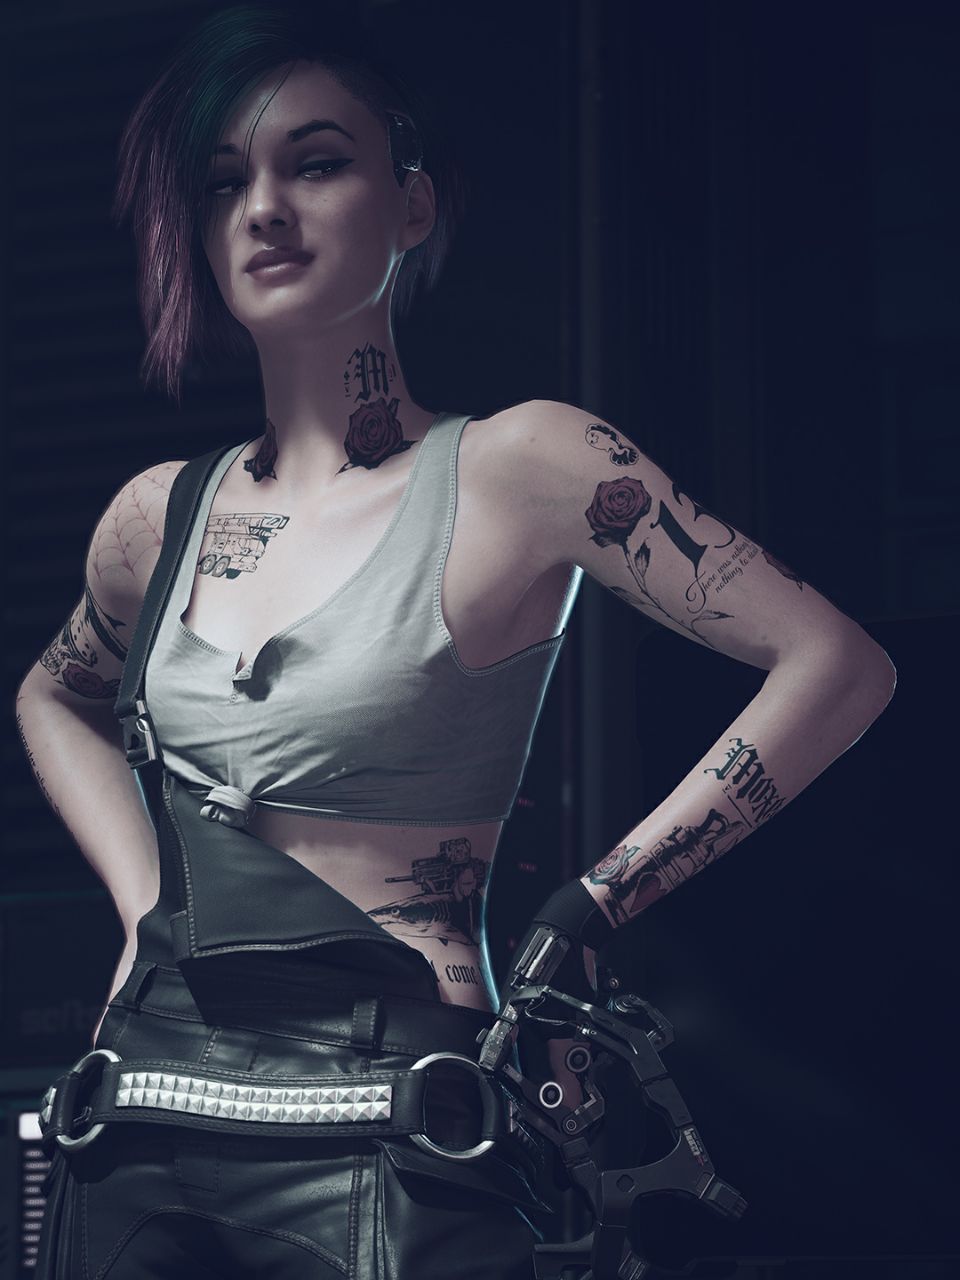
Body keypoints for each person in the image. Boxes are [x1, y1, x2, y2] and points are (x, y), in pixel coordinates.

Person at [14, 4, 897, 1277]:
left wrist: (594, 902)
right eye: (223, 183)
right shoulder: (156, 517)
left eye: (318, 162)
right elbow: (52, 696)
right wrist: (145, 899)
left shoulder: (523, 466)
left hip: (395, 1114)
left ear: (412, 205)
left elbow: (837, 664)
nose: (264, 210)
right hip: (141, 1110)